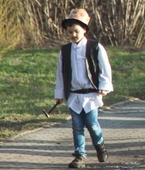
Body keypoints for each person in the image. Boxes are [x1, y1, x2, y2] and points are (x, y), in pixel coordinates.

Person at [54, 9, 113, 169]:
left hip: (91, 94)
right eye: (70, 32)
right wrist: (59, 93)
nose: (73, 35)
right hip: (74, 95)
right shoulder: (65, 51)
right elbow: (61, 73)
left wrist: (104, 86)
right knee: (77, 126)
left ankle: (100, 146)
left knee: (92, 124)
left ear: (85, 30)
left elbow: (104, 67)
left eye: (77, 31)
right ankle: (80, 155)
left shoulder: (95, 47)